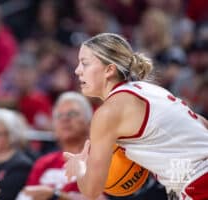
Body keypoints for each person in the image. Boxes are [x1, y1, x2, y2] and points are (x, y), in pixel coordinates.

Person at [63, 33, 208, 200]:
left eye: (85, 63)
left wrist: (80, 166)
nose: (77, 70)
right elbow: (202, 123)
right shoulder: (149, 89)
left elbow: (92, 190)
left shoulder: (108, 113)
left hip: (200, 184)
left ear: (109, 70)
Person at [18, 91, 107, 200]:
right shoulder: (43, 163)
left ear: (90, 123)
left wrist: (56, 196)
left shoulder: (102, 160)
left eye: (72, 114)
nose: (65, 119)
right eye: (59, 116)